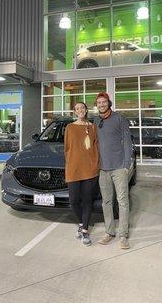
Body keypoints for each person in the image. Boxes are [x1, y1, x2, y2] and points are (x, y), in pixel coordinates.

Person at [94, 92, 132, 249]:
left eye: (104, 102)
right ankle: (109, 232)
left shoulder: (119, 118)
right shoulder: (96, 120)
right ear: (97, 105)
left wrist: (126, 164)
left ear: (109, 103)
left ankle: (123, 235)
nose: (102, 105)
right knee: (106, 202)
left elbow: (127, 141)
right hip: (102, 169)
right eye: (99, 103)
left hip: (118, 168)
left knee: (122, 201)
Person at [64, 102, 99, 247]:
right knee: (73, 201)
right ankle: (81, 222)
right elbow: (66, 149)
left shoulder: (92, 127)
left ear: (86, 110)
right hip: (74, 169)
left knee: (87, 201)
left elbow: (96, 147)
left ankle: (85, 229)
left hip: (90, 169)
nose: (80, 110)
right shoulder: (70, 127)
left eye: (82, 108)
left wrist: (96, 164)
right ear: (75, 112)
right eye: (77, 109)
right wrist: (69, 165)